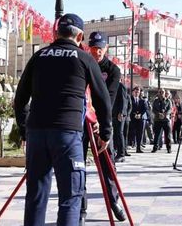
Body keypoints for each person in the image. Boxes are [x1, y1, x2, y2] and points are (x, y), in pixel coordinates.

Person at [13, 13, 112, 226]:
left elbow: (20, 99)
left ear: (57, 33)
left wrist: (24, 131)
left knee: (35, 197)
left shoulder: (39, 56)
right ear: (80, 37)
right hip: (67, 135)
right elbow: (103, 99)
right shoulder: (84, 58)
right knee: (70, 197)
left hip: (37, 134)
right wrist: (105, 132)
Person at [82, 31, 125, 223]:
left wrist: (100, 122)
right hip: (82, 121)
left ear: (106, 48)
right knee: (78, 165)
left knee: (108, 164)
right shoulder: (82, 63)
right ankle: (81, 209)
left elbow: (108, 98)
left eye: (100, 48)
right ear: (88, 47)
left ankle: (113, 201)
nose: (97, 52)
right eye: (93, 48)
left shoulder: (113, 70)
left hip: (102, 122)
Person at [113, 83, 131, 163]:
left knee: (119, 133)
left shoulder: (121, 86)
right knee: (115, 133)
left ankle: (121, 154)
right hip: (113, 113)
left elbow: (124, 100)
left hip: (119, 114)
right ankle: (115, 151)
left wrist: (121, 112)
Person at [152, 88, 173, 153]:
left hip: (166, 120)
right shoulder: (155, 101)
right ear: (158, 93)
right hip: (158, 120)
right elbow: (153, 109)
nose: (161, 93)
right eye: (160, 92)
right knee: (157, 135)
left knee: (168, 135)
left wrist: (165, 114)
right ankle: (155, 147)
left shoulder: (168, 101)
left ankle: (169, 148)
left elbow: (170, 109)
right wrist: (158, 114)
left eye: (162, 92)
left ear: (164, 93)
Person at [129, 86, 149, 153]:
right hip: (132, 118)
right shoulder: (130, 99)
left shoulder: (142, 100)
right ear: (133, 92)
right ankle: (131, 143)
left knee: (140, 133)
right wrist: (134, 114)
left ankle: (138, 148)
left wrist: (140, 114)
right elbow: (129, 108)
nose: (137, 93)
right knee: (132, 132)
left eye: (138, 92)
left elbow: (145, 108)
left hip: (140, 119)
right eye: (135, 92)